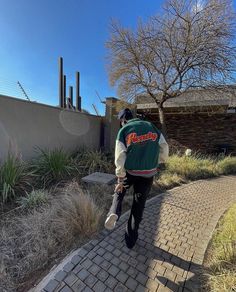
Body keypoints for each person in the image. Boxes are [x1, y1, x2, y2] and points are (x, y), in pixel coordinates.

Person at [104, 108, 169, 249]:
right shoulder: (152, 127)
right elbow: (164, 147)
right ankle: (130, 241)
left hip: (131, 172)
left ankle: (114, 212)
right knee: (138, 207)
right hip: (148, 174)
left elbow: (120, 156)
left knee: (119, 190)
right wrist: (157, 161)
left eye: (120, 121)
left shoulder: (124, 130)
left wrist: (120, 178)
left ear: (123, 120)